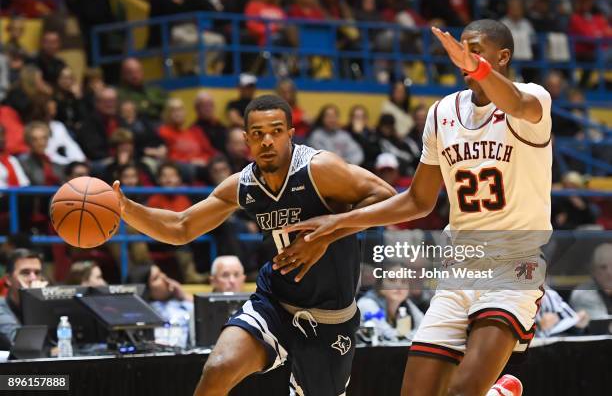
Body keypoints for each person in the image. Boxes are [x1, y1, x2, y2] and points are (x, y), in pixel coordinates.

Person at [285, 20, 553, 396]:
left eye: (475, 50)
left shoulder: (533, 100)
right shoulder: (442, 113)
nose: (463, 57)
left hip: (513, 266)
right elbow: (417, 200)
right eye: (461, 48)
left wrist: (477, 67)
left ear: (502, 56)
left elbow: (515, 102)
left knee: (463, 390)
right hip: (459, 267)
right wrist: (339, 223)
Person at [112, 94, 395, 395]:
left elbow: (388, 197)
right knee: (218, 368)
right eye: (258, 134)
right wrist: (127, 209)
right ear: (247, 139)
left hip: (330, 315)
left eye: (275, 131)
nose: (267, 141)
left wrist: (326, 235)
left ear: (290, 134)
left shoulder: (319, 169)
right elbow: (181, 227)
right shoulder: (244, 186)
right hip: (275, 302)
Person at [0, 249, 45, 346]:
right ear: (8, 279)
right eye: (25, 273)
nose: (33, 278)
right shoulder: (1, 309)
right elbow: (25, 345)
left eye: (37, 273)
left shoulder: (49, 305)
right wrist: (34, 301)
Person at [570, 243, 612, 320]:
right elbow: (602, 324)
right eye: (603, 267)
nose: (609, 272)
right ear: (593, 271)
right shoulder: (582, 293)